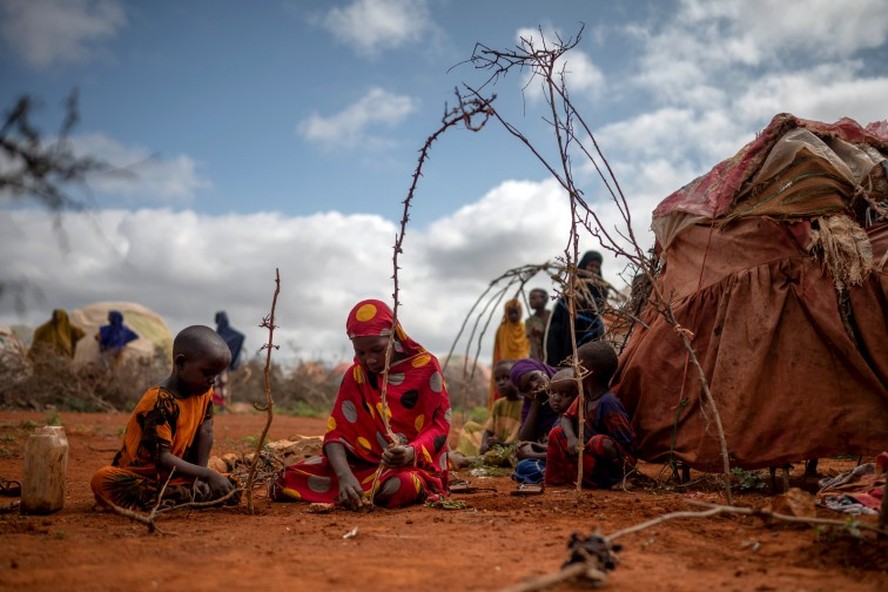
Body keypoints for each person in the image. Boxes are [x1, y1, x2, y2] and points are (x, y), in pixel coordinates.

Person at [271, 299, 450, 510]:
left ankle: (360, 494)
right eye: (360, 353)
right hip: (360, 467)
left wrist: (410, 452)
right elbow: (336, 434)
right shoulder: (356, 376)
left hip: (409, 467)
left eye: (377, 350)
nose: (370, 360)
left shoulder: (426, 368)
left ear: (394, 336)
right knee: (284, 480)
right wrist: (345, 476)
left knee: (402, 485)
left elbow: (439, 426)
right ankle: (354, 491)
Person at [90, 325, 236, 510]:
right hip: (145, 477)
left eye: (216, 375)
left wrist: (201, 476)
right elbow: (162, 458)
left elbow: (206, 431)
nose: (212, 380)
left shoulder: (204, 392)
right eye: (207, 373)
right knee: (103, 480)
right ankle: (181, 496)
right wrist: (207, 475)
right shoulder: (159, 401)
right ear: (181, 363)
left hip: (181, 475)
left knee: (233, 485)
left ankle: (183, 495)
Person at [545, 341, 635, 489]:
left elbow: (626, 442)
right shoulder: (583, 397)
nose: (573, 370)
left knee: (599, 442)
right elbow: (566, 418)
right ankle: (556, 481)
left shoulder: (608, 403)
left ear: (585, 371)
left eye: (575, 366)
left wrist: (624, 469)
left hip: (608, 466)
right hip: (586, 457)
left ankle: (618, 481)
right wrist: (571, 438)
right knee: (556, 432)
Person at [545, 251, 610, 367]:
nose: (593, 269)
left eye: (596, 267)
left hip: (590, 330)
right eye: (591, 265)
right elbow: (562, 309)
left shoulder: (601, 288)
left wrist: (584, 302)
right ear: (584, 264)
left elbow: (598, 311)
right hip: (568, 327)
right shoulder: (572, 284)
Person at [455, 360, 522, 459]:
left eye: (506, 378)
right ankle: (460, 455)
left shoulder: (524, 406)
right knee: (470, 426)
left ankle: (466, 460)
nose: (501, 383)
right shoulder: (499, 404)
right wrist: (484, 444)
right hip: (495, 444)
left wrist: (502, 444)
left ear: (517, 378)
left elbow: (520, 441)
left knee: (502, 455)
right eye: (497, 380)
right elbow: (488, 430)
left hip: (508, 448)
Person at [509, 358, 560, 485]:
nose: (534, 385)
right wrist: (535, 403)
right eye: (527, 388)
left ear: (542, 371)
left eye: (534, 377)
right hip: (551, 453)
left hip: (572, 449)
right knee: (523, 466)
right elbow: (524, 441)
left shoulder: (567, 383)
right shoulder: (530, 405)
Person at [489, 298, 530, 409]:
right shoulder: (502, 329)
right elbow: (498, 351)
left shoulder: (525, 328)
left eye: (515, 312)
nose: (513, 315)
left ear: (520, 313)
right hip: (505, 370)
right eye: (510, 313)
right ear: (506, 313)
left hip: (522, 370)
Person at [214, 311, 245, 410]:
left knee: (221, 382)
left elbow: (240, 337)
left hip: (221, 363)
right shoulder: (222, 333)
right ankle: (218, 405)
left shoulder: (219, 334)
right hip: (222, 362)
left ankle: (221, 405)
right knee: (219, 383)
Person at [525, 288, 551, 361]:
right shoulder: (530, 321)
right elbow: (533, 343)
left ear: (544, 299)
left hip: (552, 351)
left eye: (533, 298)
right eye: (530, 299)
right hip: (538, 354)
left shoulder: (551, 315)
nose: (530, 301)